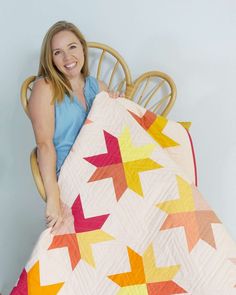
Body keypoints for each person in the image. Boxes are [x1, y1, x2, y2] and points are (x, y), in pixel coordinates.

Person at [28, 20, 124, 236]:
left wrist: (118, 106)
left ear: (82, 47)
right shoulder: (46, 87)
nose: (67, 58)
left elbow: (114, 135)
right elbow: (44, 145)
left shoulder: (97, 87)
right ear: (50, 59)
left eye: (72, 47)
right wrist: (53, 196)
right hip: (72, 173)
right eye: (57, 52)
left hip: (104, 168)